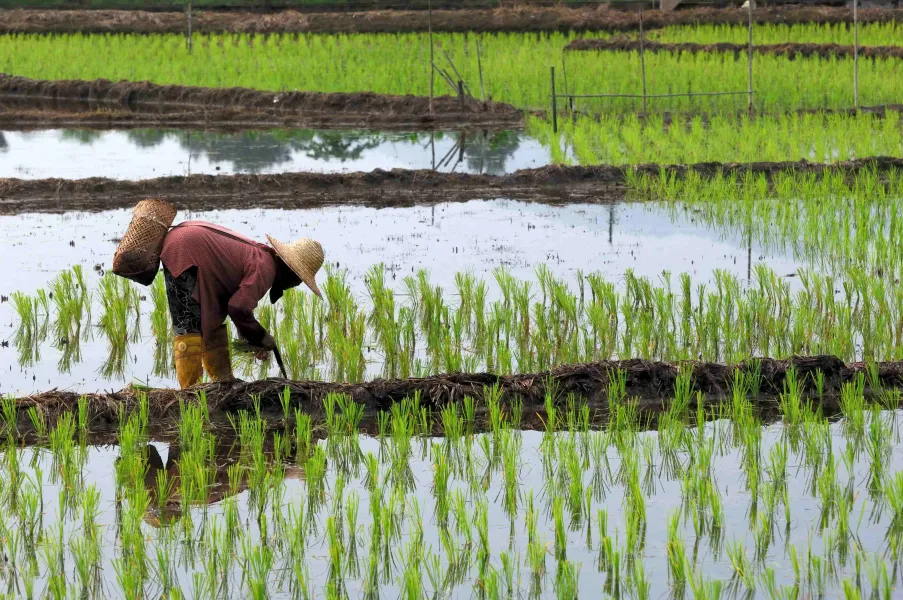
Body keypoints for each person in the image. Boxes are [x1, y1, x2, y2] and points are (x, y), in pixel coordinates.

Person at [159, 221, 324, 389]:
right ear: (291, 271)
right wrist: (261, 336)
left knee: (212, 321)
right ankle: (190, 394)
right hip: (186, 248)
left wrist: (250, 339)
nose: (295, 285)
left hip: (190, 241)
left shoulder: (264, 260)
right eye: (299, 279)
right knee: (189, 327)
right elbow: (238, 309)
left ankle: (222, 384)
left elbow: (235, 305)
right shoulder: (265, 269)